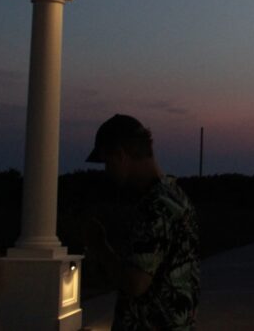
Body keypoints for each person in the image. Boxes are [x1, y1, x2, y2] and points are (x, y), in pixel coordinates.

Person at [83, 114, 200, 330]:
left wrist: (100, 246)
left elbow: (136, 282)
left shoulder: (156, 206)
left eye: (107, 162)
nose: (107, 171)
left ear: (121, 154)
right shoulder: (176, 195)